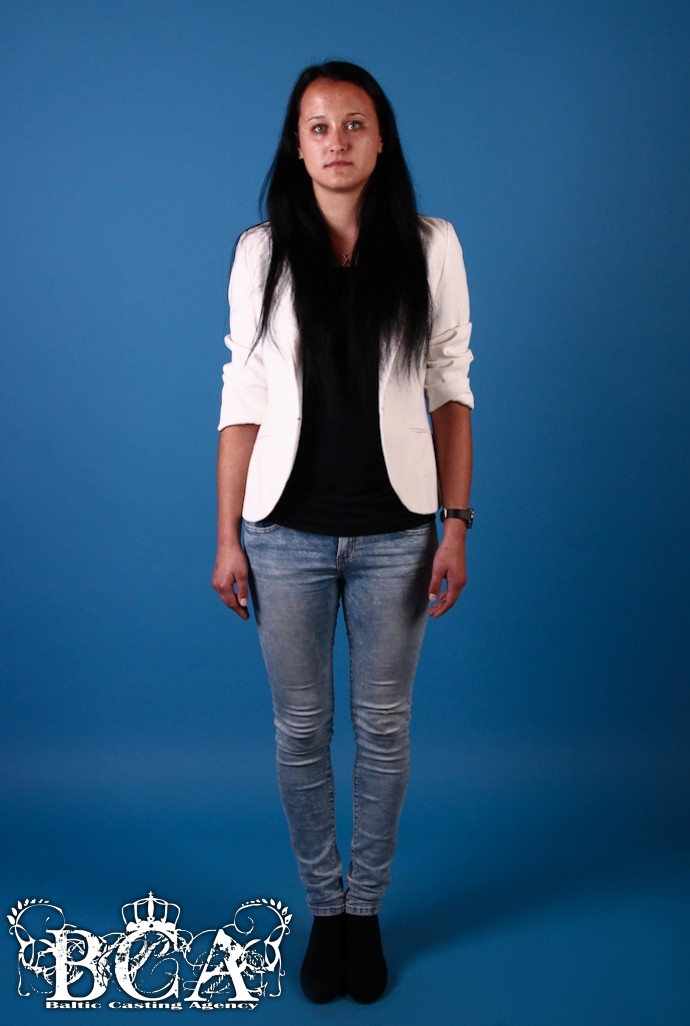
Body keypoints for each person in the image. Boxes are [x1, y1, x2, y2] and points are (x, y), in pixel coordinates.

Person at [212, 60, 474, 1004]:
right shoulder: (260, 251)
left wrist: (455, 524)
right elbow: (242, 397)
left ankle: (367, 909)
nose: (336, 142)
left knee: (384, 731)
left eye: (354, 124)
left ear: (381, 138)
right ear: (297, 143)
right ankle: (325, 909)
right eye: (318, 127)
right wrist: (227, 537)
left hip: (398, 531)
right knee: (300, 731)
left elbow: (451, 387)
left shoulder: (430, 244)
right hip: (282, 532)